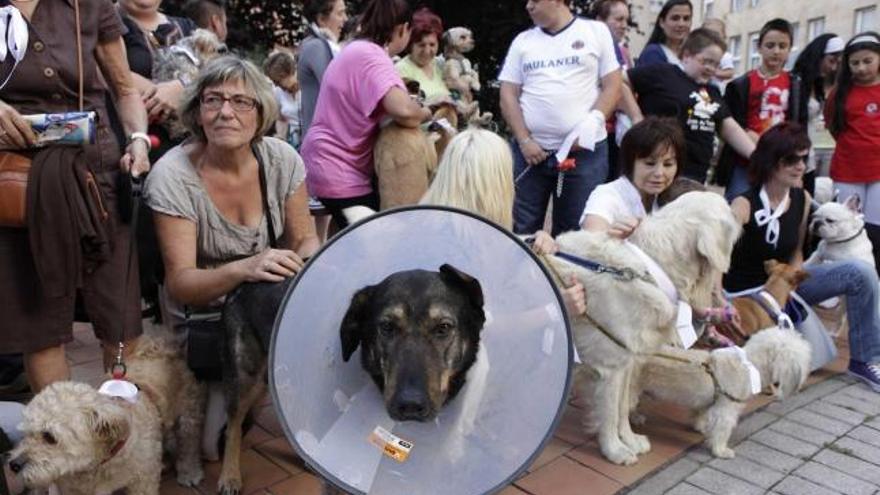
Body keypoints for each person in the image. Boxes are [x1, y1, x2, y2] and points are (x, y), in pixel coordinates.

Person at [144, 56, 320, 457]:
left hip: (266, 306)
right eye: (213, 100)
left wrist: (306, 267)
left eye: (241, 102)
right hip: (203, 318)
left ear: (260, 113)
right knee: (211, 449)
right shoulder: (173, 177)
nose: (226, 111)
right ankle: (247, 389)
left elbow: (306, 239)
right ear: (197, 112)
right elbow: (182, 283)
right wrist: (247, 267)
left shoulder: (281, 160)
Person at [0, 0, 150, 392]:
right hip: (21, 183)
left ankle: (120, 442)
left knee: (120, 319)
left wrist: (137, 139)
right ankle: (62, 446)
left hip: (97, 172)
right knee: (40, 327)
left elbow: (124, 89)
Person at [723, 122, 880, 392]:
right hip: (746, 294)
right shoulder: (743, 204)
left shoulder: (802, 198)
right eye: (791, 160)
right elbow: (718, 257)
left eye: (804, 159)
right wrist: (718, 302)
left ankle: (865, 359)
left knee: (861, 272)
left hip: (785, 287)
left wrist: (792, 281)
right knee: (788, 368)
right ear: (771, 162)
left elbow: (796, 250)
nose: (800, 166)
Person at [420, 128, 587, 317]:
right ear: (496, 182)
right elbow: (482, 328)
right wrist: (556, 310)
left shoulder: (437, 223)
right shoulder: (445, 246)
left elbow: (493, 247)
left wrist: (531, 241)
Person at [301, 0, 431, 230]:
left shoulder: (358, 49)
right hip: (338, 169)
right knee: (376, 240)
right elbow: (405, 111)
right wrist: (427, 111)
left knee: (348, 240)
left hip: (331, 163)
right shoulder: (372, 56)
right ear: (403, 28)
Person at [499, 0, 622, 236]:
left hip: (584, 153)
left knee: (575, 234)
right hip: (530, 155)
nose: (528, 6)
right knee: (520, 230)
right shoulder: (523, 41)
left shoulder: (595, 32)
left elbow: (613, 85)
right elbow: (508, 93)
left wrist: (592, 123)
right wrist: (524, 140)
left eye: (535, 0)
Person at [627, 28, 755, 184]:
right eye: (706, 61)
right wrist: (635, 116)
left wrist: (755, 155)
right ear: (687, 55)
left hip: (697, 173)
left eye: (716, 64)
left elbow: (730, 128)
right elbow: (620, 81)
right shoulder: (663, 73)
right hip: (661, 169)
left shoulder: (712, 91)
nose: (711, 69)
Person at [720, 19, 803, 200]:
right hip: (746, 160)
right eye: (770, 45)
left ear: (790, 49)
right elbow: (730, 122)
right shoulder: (740, 84)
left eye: (782, 46)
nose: (776, 51)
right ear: (759, 47)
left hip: (781, 161)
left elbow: (799, 124)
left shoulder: (795, 84)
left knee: (777, 210)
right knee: (737, 207)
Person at [825, 32, 880, 270]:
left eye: (868, 61)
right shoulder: (840, 93)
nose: (861, 68)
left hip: (878, 172)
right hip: (848, 169)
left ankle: (873, 278)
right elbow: (833, 125)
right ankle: (841, 277)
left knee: (875, 227)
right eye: (855, 63)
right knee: (843, 226)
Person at [118, 0, 196, 160]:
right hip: (130, 143)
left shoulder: (189, 27)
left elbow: (216, 71)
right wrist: (161, 94)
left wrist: (182, 85)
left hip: (192, 147)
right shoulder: (102, 24)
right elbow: (99, 69)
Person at [591, 0, 640, 181]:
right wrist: (636, 117)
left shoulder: (623, 51)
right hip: (596, 130)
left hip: (618, 131)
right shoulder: (591, 50)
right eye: (618, 19)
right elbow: (617, 86)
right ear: (599, 21)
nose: (624, 26)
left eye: (626, 20)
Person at [793, 33, 844, 179]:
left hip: (816, 150)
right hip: (798, 152)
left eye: (838, 64)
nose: (834, 68)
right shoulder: (797, 83)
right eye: (831, 61)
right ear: (818, 56)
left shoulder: (819, 84)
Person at [297, 0, 348, 137]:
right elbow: (340, 88)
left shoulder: (320, 45)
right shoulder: (316, 46)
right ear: (321, 19)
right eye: (340, 13)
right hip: (324, 143)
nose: (345, 19)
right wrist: (336, 46)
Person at [394, 7, 450, 106]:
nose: (427, 51)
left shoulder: (441, 64)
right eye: (421, 45)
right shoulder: (401, 70)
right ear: (410, 44)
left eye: (432, 45)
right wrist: (437, 101)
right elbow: (406, 110)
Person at [635, 0, 692, 68]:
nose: (681, 24)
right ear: (662, 22)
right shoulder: (653, 54)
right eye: (675, 18)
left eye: (686, 19)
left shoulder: (692, 55)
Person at [264, 50, 302, 148]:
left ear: (289, 73)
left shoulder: (307, 87)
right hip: (293, 141)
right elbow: (281, 119)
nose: (276, 85)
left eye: (277, 81)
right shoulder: (278, 91)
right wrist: (280, 138)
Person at [701, 18, 734, 86]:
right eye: (708, 34)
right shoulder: (700, 53)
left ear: (724, 37)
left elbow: (730, 73)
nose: (712, 38)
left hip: (716, 87)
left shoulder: (724, 56)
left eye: (716, 34)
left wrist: (715, 72)